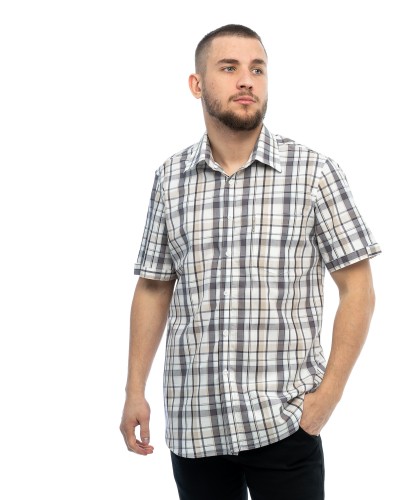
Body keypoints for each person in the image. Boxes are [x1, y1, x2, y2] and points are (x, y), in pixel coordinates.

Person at [120, 24, 381, 500]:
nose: (247, 80)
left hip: (284, 423)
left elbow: (358, 289)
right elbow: (154, 286)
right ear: (197, 84)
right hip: (195, 426)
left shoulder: (313, 173)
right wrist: (134, 390)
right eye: (229, 68)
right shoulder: (170, 180)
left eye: (257, 69)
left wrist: (326, 398)